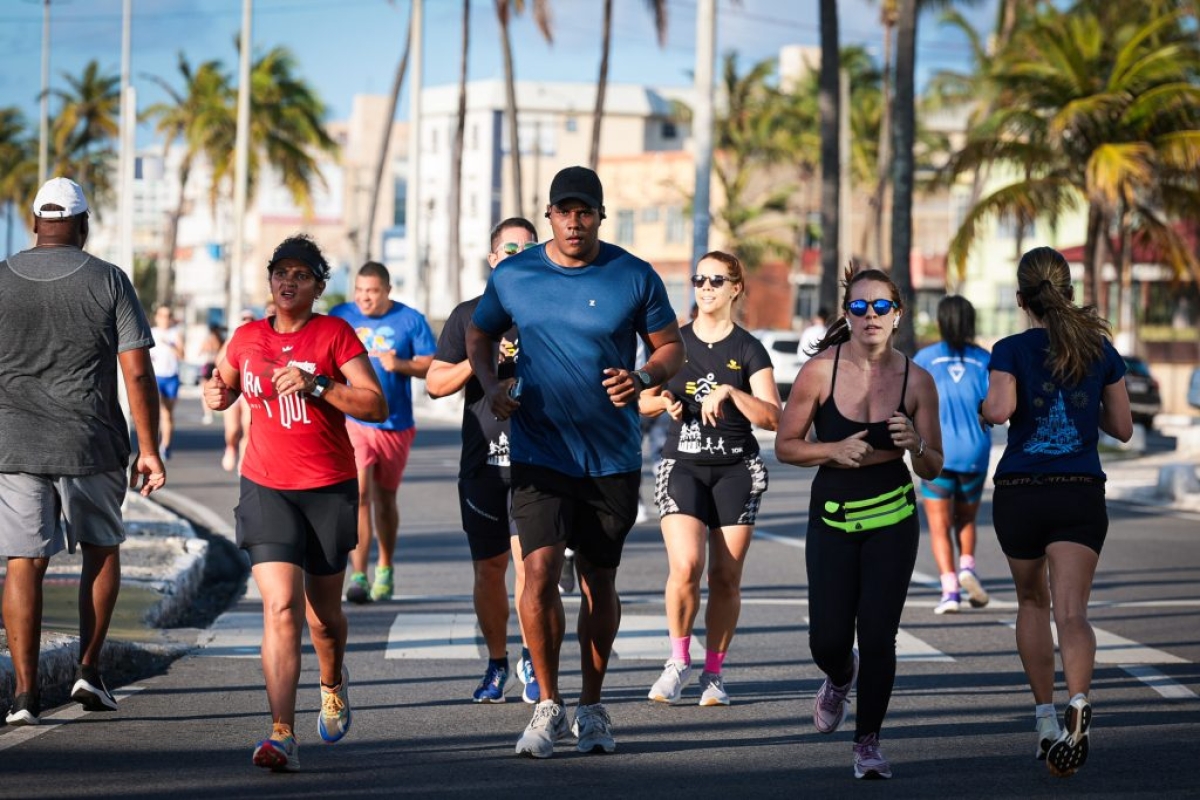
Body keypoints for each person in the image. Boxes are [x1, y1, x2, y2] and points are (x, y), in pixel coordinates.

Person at [466, 165, 684, 758]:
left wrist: (641, 375)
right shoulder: (515, 275)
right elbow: (478, 334)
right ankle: (548, 705)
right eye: (564, 211)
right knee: (536, 576)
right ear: (550, 216)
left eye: (584, 211)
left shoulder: (633, 275)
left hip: (611, 456)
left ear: (598, 216)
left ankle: (591, 705)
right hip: (539, 450)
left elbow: (672, 348)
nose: (574, 221)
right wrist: (490, 387)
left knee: (598, 582)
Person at [203, 234, 387, 772]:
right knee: (281, 605)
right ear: (270, 281)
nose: (289, 283)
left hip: (328, 487)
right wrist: (217, 395)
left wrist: (317, 384)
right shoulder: (246, 338)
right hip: (267, 486)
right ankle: (282, 732)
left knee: (323, 617)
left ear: (317, 286)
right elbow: (223, 384)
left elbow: (373, 404)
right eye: (281, 273)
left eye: (301, 275)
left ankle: (332, 681)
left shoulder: (335, 333)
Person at [1, 177, 166, 726]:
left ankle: (25, 696)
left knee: (24, 562)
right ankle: (88, 671)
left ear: (34, 224)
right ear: (84, 224)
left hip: (14, 446)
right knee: (101, 547)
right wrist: (150, 447)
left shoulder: (1, 279)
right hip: (91, 442)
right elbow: (137, 371)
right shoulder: (108, 280)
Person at [775, 265, 943, 780]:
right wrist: (831, 448)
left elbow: (935, 464)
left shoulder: (917, 380)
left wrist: (915, 443)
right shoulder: (819, 371)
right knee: (827, 640)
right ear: (846, 315)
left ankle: (867, 742)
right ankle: (839, 675)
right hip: (832, 517)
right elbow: (786, 445)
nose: (870, 316)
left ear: (898, 316)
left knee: (878, 637)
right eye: (859, 307)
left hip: (892, 517)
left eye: (881, 307)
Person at [980, 246, 1131, 778]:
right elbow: (1124, 427)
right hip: (1079, 491)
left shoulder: (1010, 348)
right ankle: (1081, 699)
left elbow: (999, 410)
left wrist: (984, 409)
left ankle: (1045, 717)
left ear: (1021, 298)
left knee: (1030, 600)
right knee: (1073, 613)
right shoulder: (1099, 348)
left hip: (1023, 490)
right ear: (1067, 291)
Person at [641, 251, 781, 707]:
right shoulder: (673, 343)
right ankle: (677, 662)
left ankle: (714, 674)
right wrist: (662, 402)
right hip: (681, 465)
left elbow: (774, 417)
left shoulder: (748, 348)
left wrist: (733, 393)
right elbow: (636, 400)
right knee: (685, 566)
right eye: (699, 279)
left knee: (725, 578)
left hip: (736, 470)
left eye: (716, 281)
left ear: (735, 288)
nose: (705, 287)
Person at [426, 217, 541, 704]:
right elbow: (434, 384)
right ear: (493, 259)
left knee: (533, 569)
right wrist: (483, 358)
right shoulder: (469, 316)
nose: (517, 255)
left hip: (539, 461)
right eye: (508, 249)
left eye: (527, 249)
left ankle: (535, 659)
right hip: (483, 464)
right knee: (489, 570)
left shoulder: (547, 313)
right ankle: (497, 663)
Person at [330, 262, 436, 604]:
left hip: (395, 423)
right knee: (358, 495)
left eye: (372, 291)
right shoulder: (341, 315)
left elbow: (432, 365)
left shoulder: (410, 320)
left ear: (388, 291)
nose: (364, 298)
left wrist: (401, 364)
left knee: (385, 499)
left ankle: (385, 568)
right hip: (354, 420)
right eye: (359, 290)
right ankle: (358, 575)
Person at [913, 296, 992, 614]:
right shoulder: (985, 360)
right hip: (976, 450)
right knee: (967, 519)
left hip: (937, 453)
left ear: (941, 322)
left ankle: (949, 591)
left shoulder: (925, 358)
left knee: (938, 524)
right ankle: (968, 568)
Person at [218, 308, 257, 473]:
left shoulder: (259, 340)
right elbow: (219, 362)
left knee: (248, 427)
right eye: (244, 318)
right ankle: (231, 446)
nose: (247, 320)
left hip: (249, 390)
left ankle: (244, 460)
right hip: (233, 388)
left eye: (250, 318)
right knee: (233, 429)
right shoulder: (233, 339)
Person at [151, 305, 185, 459]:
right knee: (155, 412)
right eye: (162, 315)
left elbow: (181, 355)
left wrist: (170, 345)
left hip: (171, 377)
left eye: (167, 315)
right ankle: (152, 446)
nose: (164, 319)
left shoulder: (175, 334)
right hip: (155, 377)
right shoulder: (151, 332)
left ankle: (165, 445)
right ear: (157, 317)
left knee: (167, 414)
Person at [198, 323, 225, 424]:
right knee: (218, 388)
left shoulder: (210, 339)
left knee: (205, 390)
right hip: (218, 365)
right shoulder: (221, 339)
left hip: (209, 364)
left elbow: (201, 351)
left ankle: (208, 413)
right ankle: (215, 410)